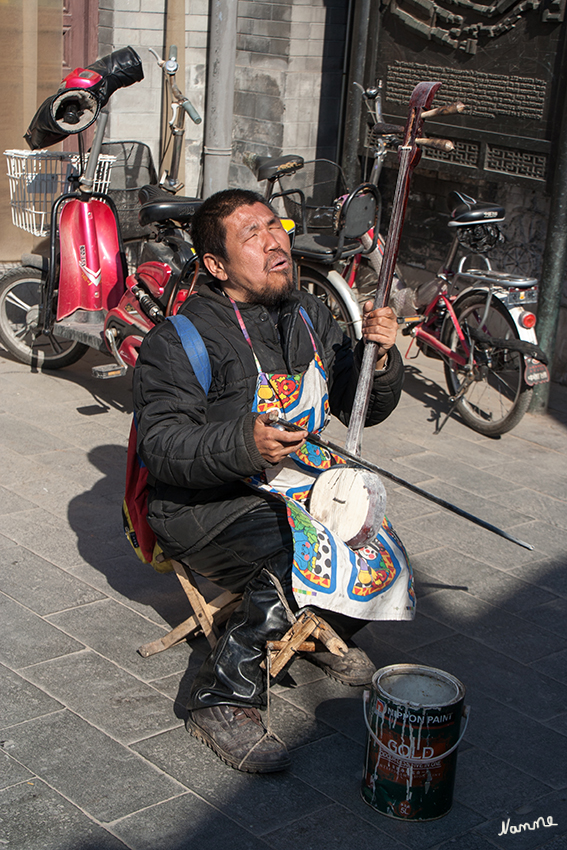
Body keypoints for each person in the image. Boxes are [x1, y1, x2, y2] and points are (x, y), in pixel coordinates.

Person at [132, 189, 414, 774]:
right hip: (204, 503)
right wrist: (244, 443)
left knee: (371, 536)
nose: (274, 241)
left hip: (291, 482)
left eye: (273, 225)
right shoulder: (180, 338)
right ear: (217, 265)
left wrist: (378, 360)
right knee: (296, 551)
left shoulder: (310, 314)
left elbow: (358, 401)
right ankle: (222, 699)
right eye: (251, 234)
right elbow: (162, 448)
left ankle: (320, 628)